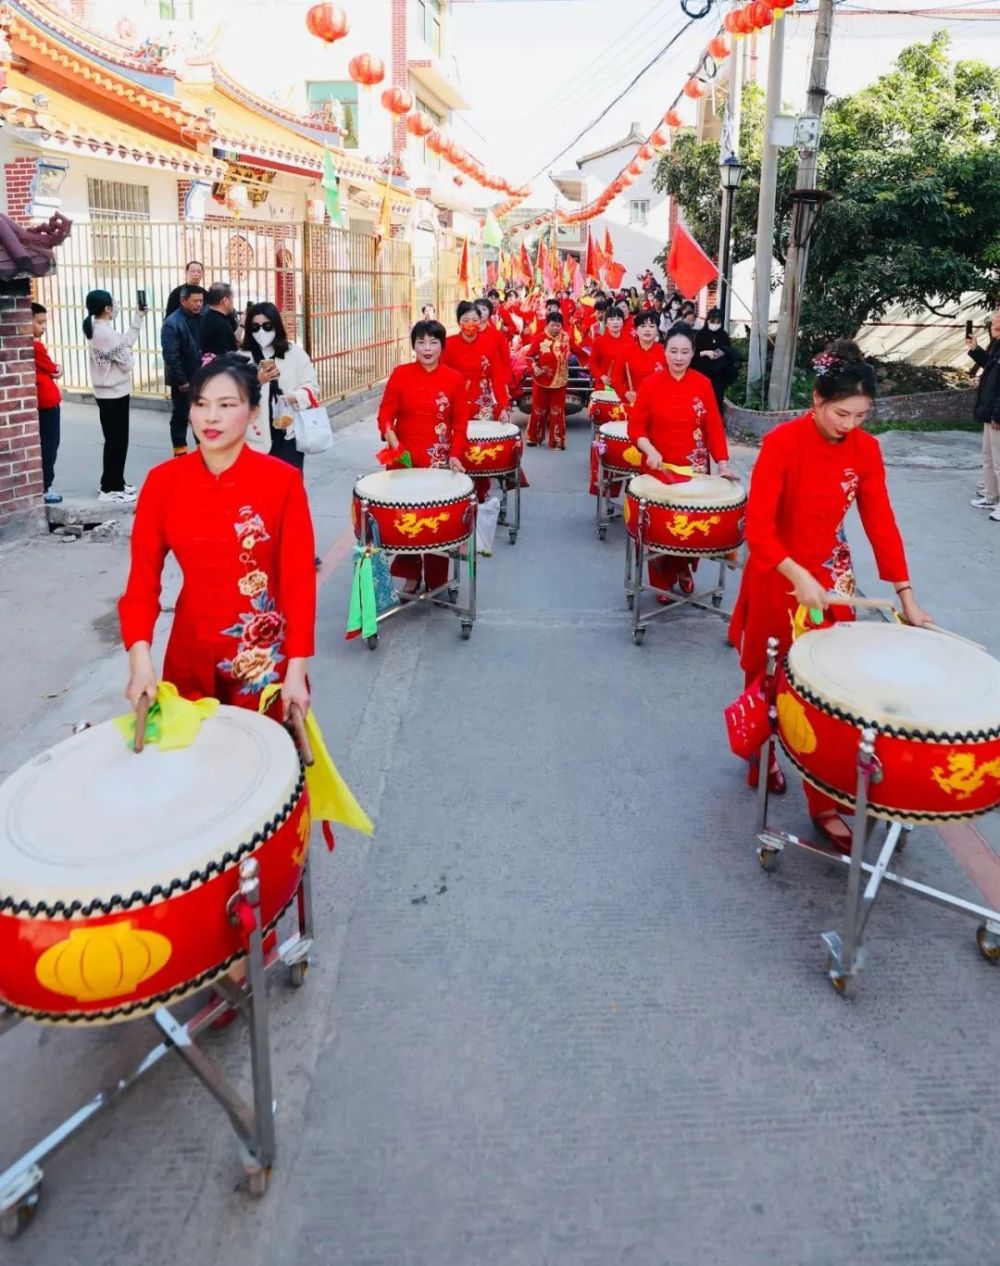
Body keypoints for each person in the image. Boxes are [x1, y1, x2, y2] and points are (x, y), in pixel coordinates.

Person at [728, 340, 933, 844]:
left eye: (861, 415)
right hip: (779, 574)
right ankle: (762, 751)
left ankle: (825, 801)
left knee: (827, 692)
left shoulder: (865, 450)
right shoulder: (782, 443)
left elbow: (880, 522)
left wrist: (905, 594)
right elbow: (758, 529)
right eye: (842, 413)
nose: (850, 425)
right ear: (816, 400)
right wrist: (798, 576)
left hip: (832, 580)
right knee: (770, 675)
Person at [120, 354, 315, 716]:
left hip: (264, 661)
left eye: (226, 405)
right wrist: (140, 661)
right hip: (190, 651)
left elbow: (298, 582)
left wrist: (298, 672)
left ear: (253, 411)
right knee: (191, 762)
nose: (210, 417)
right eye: (200, 404)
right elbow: (142, 583)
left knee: (265, 764)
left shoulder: (281, 482)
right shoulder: (163, 483)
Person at [628, 323, 734, 599]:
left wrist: (722, 463)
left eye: (684, 352)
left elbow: (713, 426)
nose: (678, 357)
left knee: (690, 528)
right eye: (673, 351)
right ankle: (662, 581)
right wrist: (648, 448)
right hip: (659, 469)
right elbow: (636, 428)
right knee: (662, 528)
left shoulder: (703, 384)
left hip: (695, 469)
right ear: (665, 352)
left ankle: (685, 568)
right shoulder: (651, 385)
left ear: (693, 353)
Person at [377, 319, 470, 595]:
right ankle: (410, 574)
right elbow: (385, 413)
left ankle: (437, 577)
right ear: (413, 345)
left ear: (442, 346)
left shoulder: (454, 379)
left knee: (435, 523)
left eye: (433, 342)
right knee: (407, 521)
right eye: (421, 342)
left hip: (438, 463)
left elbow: (460, 425)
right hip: (404, 460)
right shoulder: (400, 374)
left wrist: (455, 455)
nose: (427, 348)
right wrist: (390, 435)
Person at [240, 302, 321, 472]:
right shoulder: (242, 357)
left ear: (276, 325)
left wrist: (293, 397)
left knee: (288, 487)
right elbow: (230, 396)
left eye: (267, 326)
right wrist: (257, 382)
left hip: (288, 433)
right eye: (255, 327)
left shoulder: (295, 354)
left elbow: (312, 386)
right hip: (253, 437)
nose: (261, 332)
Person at [83, 288, 145, 503]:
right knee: (117, 441)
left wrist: (138, 318)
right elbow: (127, 362)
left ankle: (116, 482)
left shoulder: (100, 328)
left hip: (111, 392)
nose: (116, 307)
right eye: (113, 304)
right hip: (113, 393)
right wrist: (126, 355)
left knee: (116, 440)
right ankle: (109, 488)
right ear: (107, 309)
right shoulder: (104, 333)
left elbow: (125, 343)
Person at [442, 300, 511, 422]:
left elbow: (497, 378)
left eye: (474, 320)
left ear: (480, 321)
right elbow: (440, 376)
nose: (470, 323)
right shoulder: (448, 344)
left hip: (483, 405)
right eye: (466, 320)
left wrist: (503, 406)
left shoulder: (489, 344)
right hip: (456, 403)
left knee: (484, 439)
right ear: (459, 322)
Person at [160, 284, 205, 456]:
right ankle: (180, 453)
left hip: (201, 378)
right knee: (180, 417)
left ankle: (203, 452)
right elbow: (171, 356)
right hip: (183, 382)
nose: (199, 304)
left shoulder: (202, 318)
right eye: (195, 301)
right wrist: (181, 380)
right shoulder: (172, 323)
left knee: (201, 416)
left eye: (201, 301)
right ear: (183, 301)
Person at [967, 309, 1000, 521]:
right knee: (988, 457)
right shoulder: (997, 345)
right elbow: (991, 367)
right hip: (989, 412)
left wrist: (998, 414)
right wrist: (975, 349)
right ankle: (990, 496)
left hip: (997, 415)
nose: (994, 319)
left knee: (999, 461)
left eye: (999, 316)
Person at [525, 311, 571, 449]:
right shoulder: (539, 339)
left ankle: (557, 441)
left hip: (560, 381)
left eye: (558, 325)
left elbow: (578, 351)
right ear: (547, 324)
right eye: (553, 325)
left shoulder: (566, 339)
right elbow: (529, 357)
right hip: (541, 380)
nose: (556, 328)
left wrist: (588, 360)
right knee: (539, 410)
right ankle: (533, 437)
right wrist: (534, 367)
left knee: (557, 411)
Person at [31, 302, 62, 504]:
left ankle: (45, 485)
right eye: (40, 322)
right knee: (49, 447)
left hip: (47, 403)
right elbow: (53, 369)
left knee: (49, 446)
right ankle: (45, 487)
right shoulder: (35, 346)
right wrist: (57, 368)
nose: (43, 327)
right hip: (47, 406)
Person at [611, 310, 666, 405]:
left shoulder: (666, 352)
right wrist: (626, 393)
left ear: (657, 330)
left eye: (652, 326)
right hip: (632, 403)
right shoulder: (626, 351)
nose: (647, 330)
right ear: (636, 330)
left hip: (658, 403)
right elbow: (616, 380)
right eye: (643, 326)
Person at [694, 307, 739, 413]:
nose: (715, 324)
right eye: (713, 321)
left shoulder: (723, 335)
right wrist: (705, 353)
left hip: (719, 375)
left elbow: (729, 351)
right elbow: (693, 354)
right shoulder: (700, 335)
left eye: (718, 321)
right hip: (703, 373)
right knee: (702, 401)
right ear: (707, 320)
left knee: (716, 402)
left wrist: (723, 352)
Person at [200, 283, 239, 357]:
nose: (233, 302)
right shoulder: (219, 323)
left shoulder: (208, 317)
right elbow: (233, 348)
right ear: (225, 300)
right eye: (232, 298)